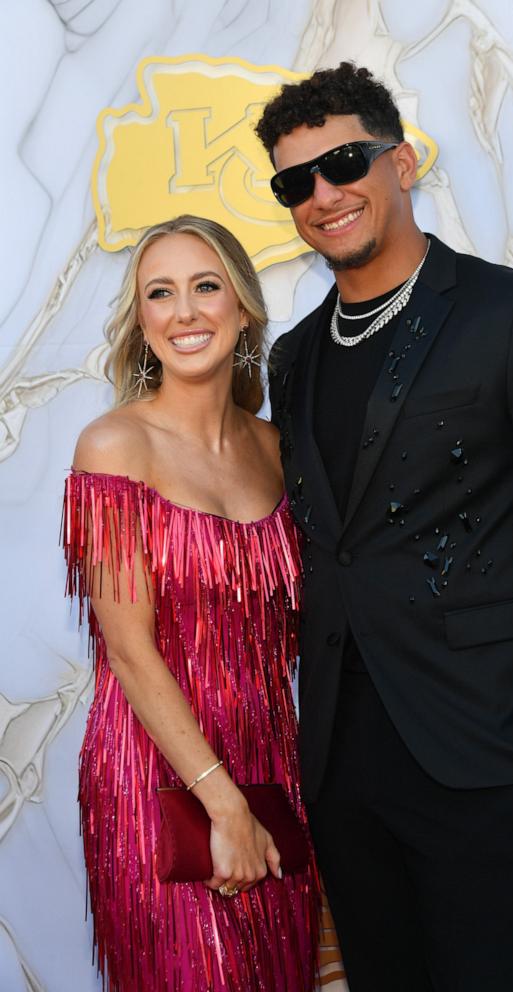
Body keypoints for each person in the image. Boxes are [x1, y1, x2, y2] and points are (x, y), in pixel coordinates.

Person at [255, 63, 513, 991]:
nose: (322, 194)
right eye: (294, 182)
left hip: (488, 752)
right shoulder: (296, 357)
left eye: (343, 162)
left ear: (400, 163)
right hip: (344, 765)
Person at [62, 215, 319, 992]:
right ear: (141, 322)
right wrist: (222, 805)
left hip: (272, 764)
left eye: (206, 287)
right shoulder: (113, 449)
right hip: (157, 774)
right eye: (160, 293)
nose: (185, 312)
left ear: (242, 308)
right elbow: (131, 654)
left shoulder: (279, 449)